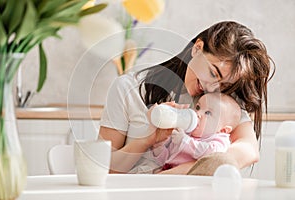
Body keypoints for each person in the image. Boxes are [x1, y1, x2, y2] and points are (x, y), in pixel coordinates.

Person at [99, 21, 275, 175]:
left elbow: (249, 150)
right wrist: (146, 140)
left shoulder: (221, 103)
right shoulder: (128, 89)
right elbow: (103, 168)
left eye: (225, 85)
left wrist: (184, 171)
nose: (213, 88)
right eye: (213, 73)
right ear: (197, 48)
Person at [129, 92, 241, 174]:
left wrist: (185, 141)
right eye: (198, 107)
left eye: (208, 113)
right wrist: (159, 147)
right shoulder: (187, 134)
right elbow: (166, 159)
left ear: (223, 130)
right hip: (167, 173)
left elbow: (212, 153)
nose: (198, 113)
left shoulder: (219, 139)